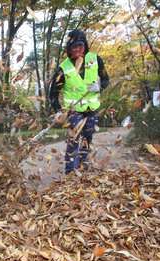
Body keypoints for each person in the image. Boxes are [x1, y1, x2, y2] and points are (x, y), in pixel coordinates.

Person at [49, 29, 109, 174]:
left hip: (92, 108)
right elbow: (53, 93)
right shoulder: (63, 68)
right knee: (74, 136)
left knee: (87, 137)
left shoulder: (95, 60)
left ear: (85, 46)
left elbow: (106, 78)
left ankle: (83, 166)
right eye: (73, 47)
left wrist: (100, 87)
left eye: (79, 46)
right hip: (73, 110)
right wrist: (57, 111)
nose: (76, 50)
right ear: (68, 49)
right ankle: (70, 171)